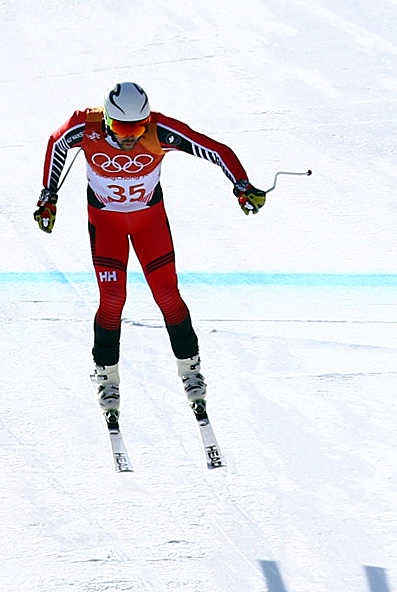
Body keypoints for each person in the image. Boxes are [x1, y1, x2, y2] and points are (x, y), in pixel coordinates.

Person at [34, 81, 266, 428]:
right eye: (124, 129)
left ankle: (191, 372)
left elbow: (216, 150)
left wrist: (241, 186)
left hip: (148, 224)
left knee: (167, 295)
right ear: (109, 121)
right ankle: (106, 377)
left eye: (138, 128)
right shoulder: (86, 127)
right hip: (107, 224)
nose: (132, 137)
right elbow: (56, 143)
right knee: (113, 299)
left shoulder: (160, 131)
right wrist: (48, 196)